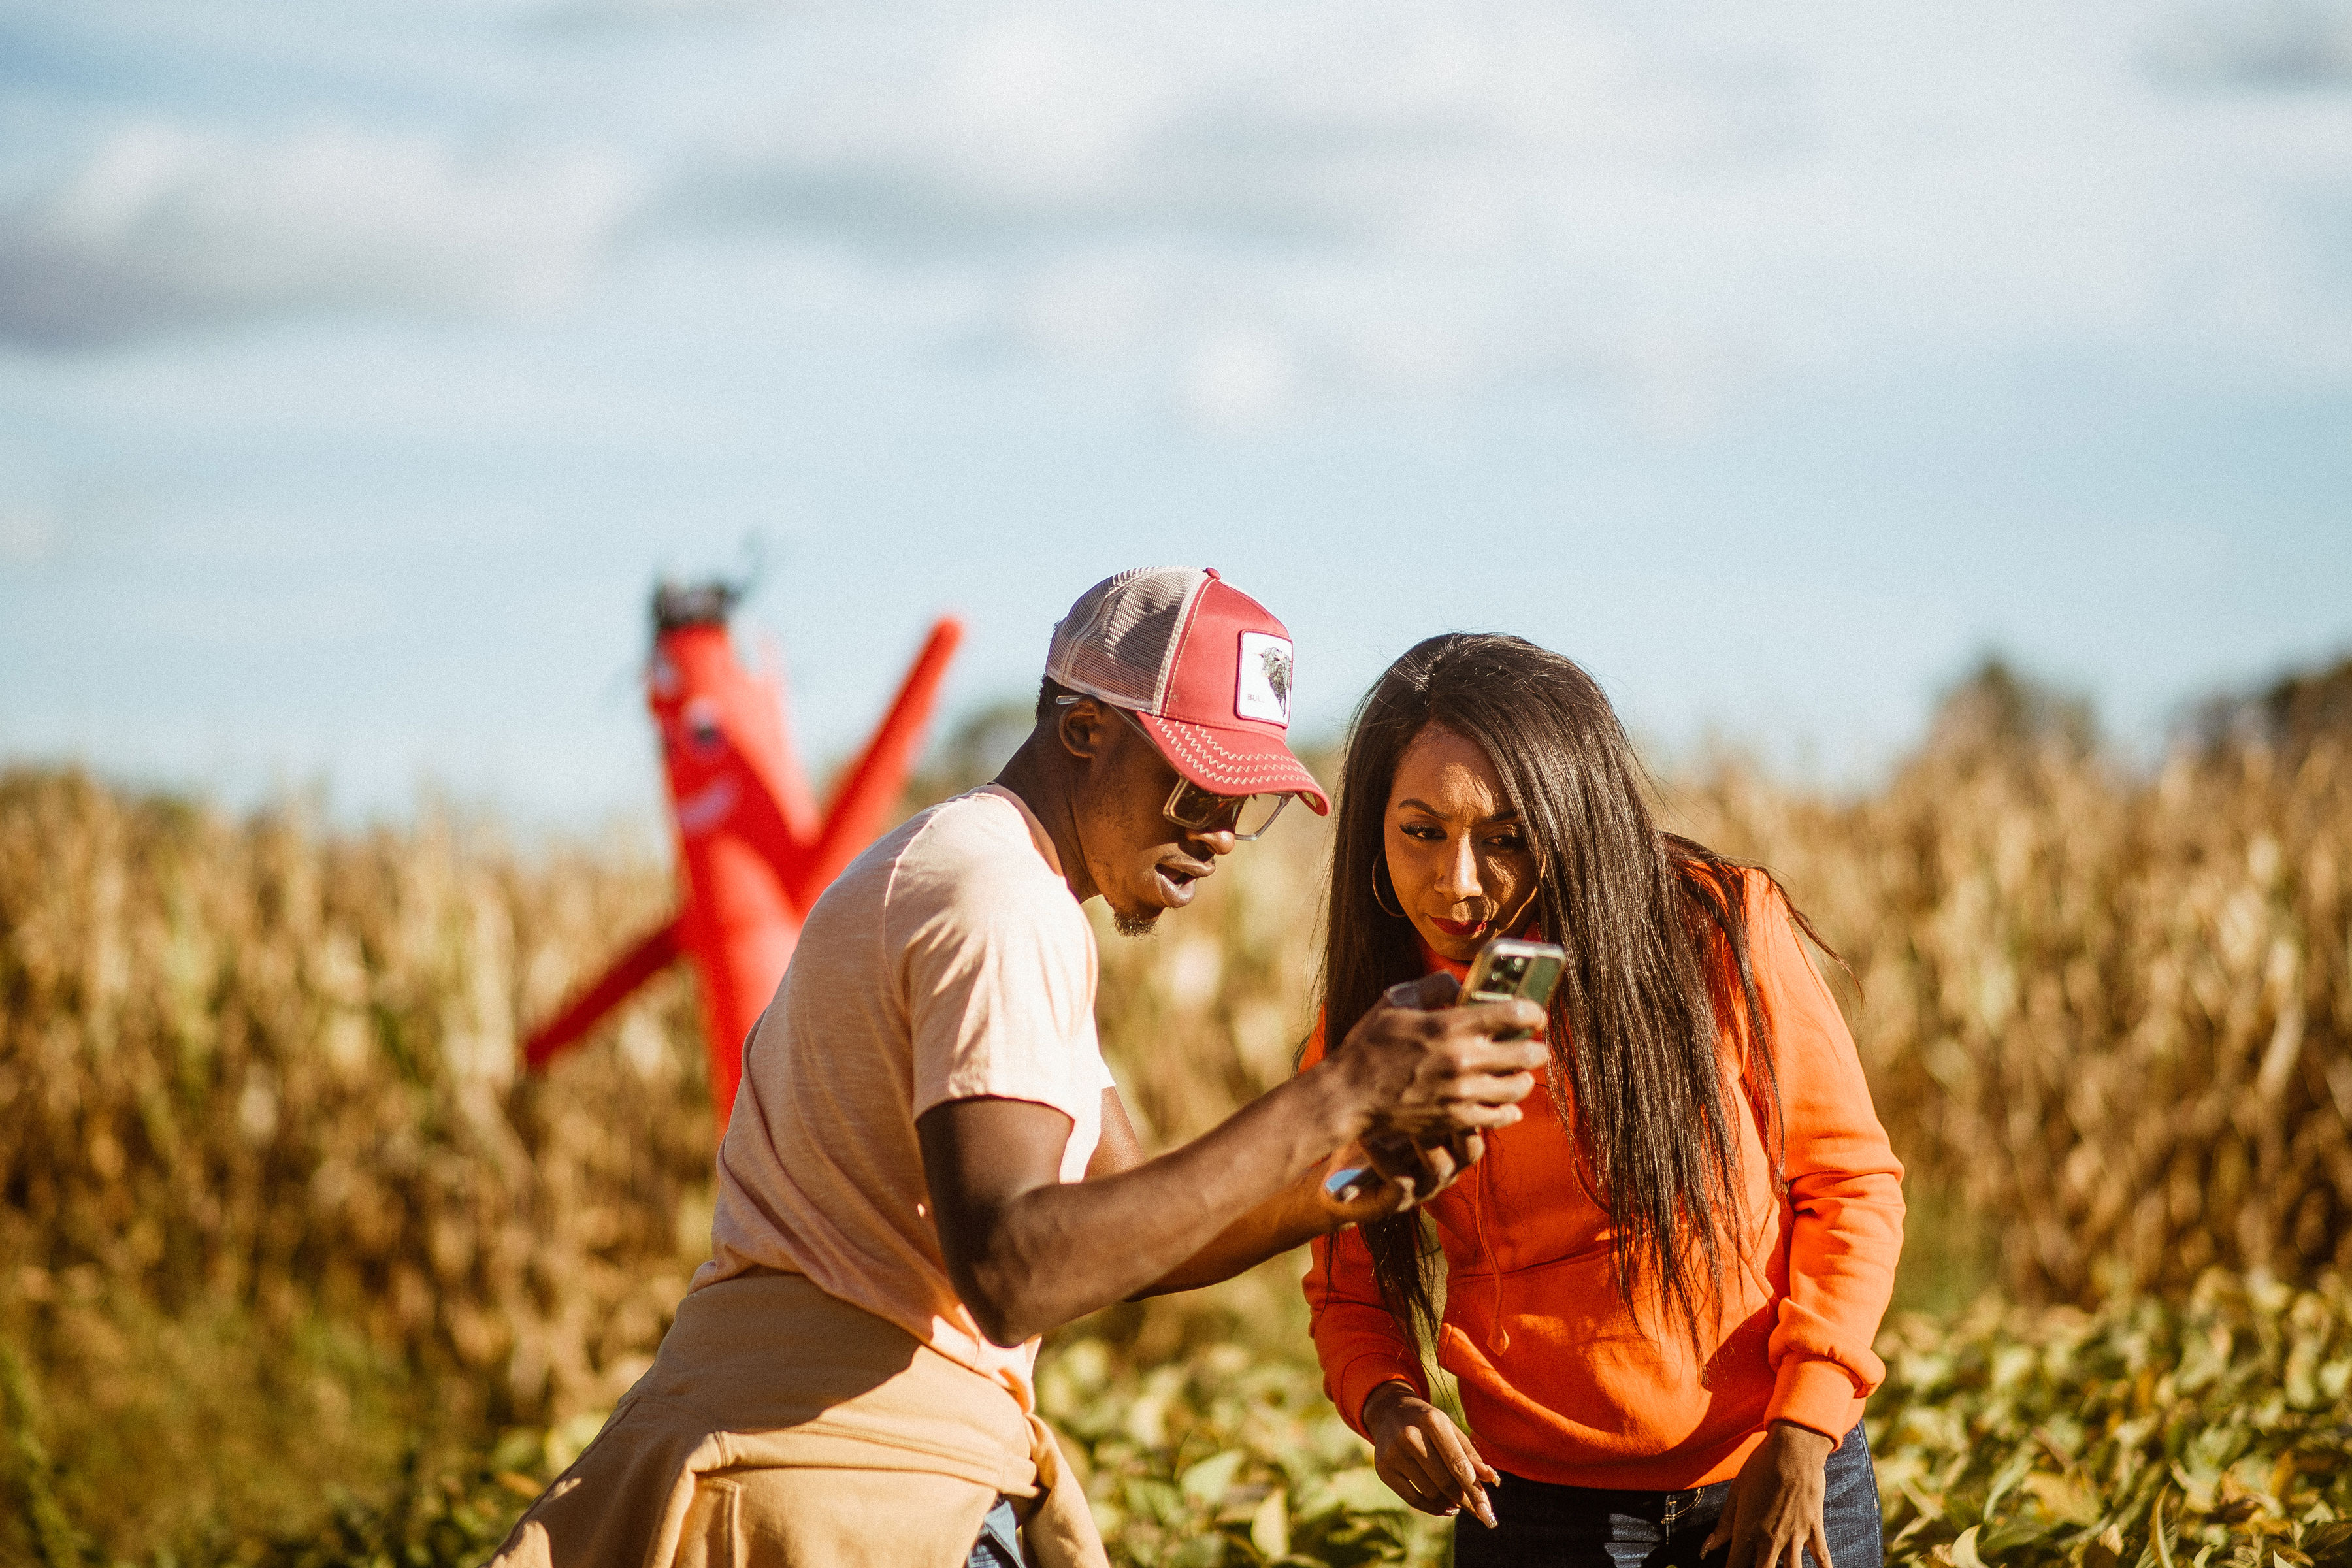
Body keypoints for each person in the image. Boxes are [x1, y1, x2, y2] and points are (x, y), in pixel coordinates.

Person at [487, 569, 1551, 1568]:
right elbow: (1013, 1270)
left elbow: (1136, 1228)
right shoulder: (999, 904)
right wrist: (1338, 1092)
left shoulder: (970, 870)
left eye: (1246, 803)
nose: (1222, 835)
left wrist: (1351, 1179)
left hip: (791, 1450)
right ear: (1084, 731)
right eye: (1196, 791)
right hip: (849, 1481)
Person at [1299, 633, 1906, 1568]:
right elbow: (1346, 1280)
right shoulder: (1375, 1030)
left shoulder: (1719, 930)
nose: (1458, 882)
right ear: (1374, 830)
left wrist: (1804, 1431)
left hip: (1773, 1479)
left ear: (1572, 819)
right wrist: (1388, 1402)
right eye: (1422, 832)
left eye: (1504, 838)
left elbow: (1850, 1186)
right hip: (1535, 1516)